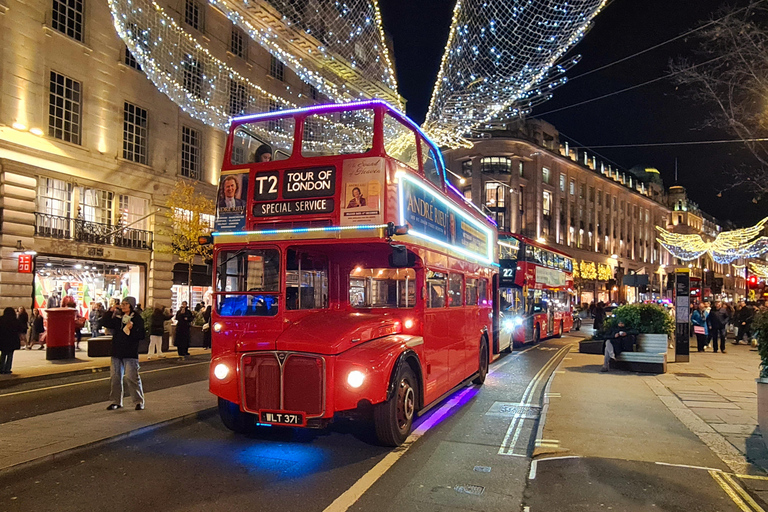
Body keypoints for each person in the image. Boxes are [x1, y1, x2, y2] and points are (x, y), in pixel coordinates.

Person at [101, 298, 146, 410]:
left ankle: (138, 401)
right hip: (117, 351)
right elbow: (104, 322)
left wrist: (132, 328)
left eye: (126, 304)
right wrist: (110, 311)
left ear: (131, 306)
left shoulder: (137, 318)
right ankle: (116, 401)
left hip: (130, 352)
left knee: (132, 378)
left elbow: (141, 335)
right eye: (122, 304)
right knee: (115, 378)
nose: (123, 306)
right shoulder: (118, 317)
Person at [0, 308, 23, 374]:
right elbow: (21, 329)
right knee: (10, 355)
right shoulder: (15, 320)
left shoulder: (1, 319)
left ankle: (1, 368)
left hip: (3, 339)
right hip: (12, 340)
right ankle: (7, 369)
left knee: (3, 354)